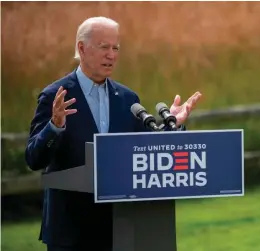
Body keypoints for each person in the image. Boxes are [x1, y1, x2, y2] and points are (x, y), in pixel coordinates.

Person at [25, 16, 202, 251]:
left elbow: (145, 153)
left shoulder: (128, 99)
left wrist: (173, 126)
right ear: (81, 48)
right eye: (104, 47)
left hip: (121, 228)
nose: (112, 55)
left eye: (116, 48)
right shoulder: (55, 96)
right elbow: (34, 158)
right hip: (71, 231)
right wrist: (55, 126)